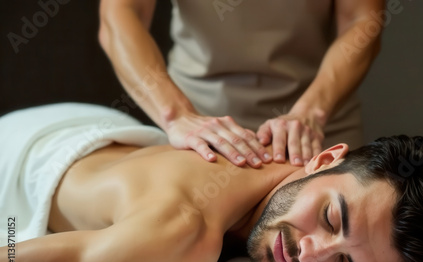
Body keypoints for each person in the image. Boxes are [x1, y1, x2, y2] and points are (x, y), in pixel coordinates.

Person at [0, 104, 423, 262]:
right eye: (330, 218)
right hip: (17, 160)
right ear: (324, 158)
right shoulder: (175, 238)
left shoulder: (285, 158)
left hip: (101, 130)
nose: (310, 254)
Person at [98, 0, 385, 168]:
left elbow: (362, 20)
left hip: (316, 128)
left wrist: (312, 113)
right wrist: (177, 116)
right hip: (197, 125)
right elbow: (120, 16)